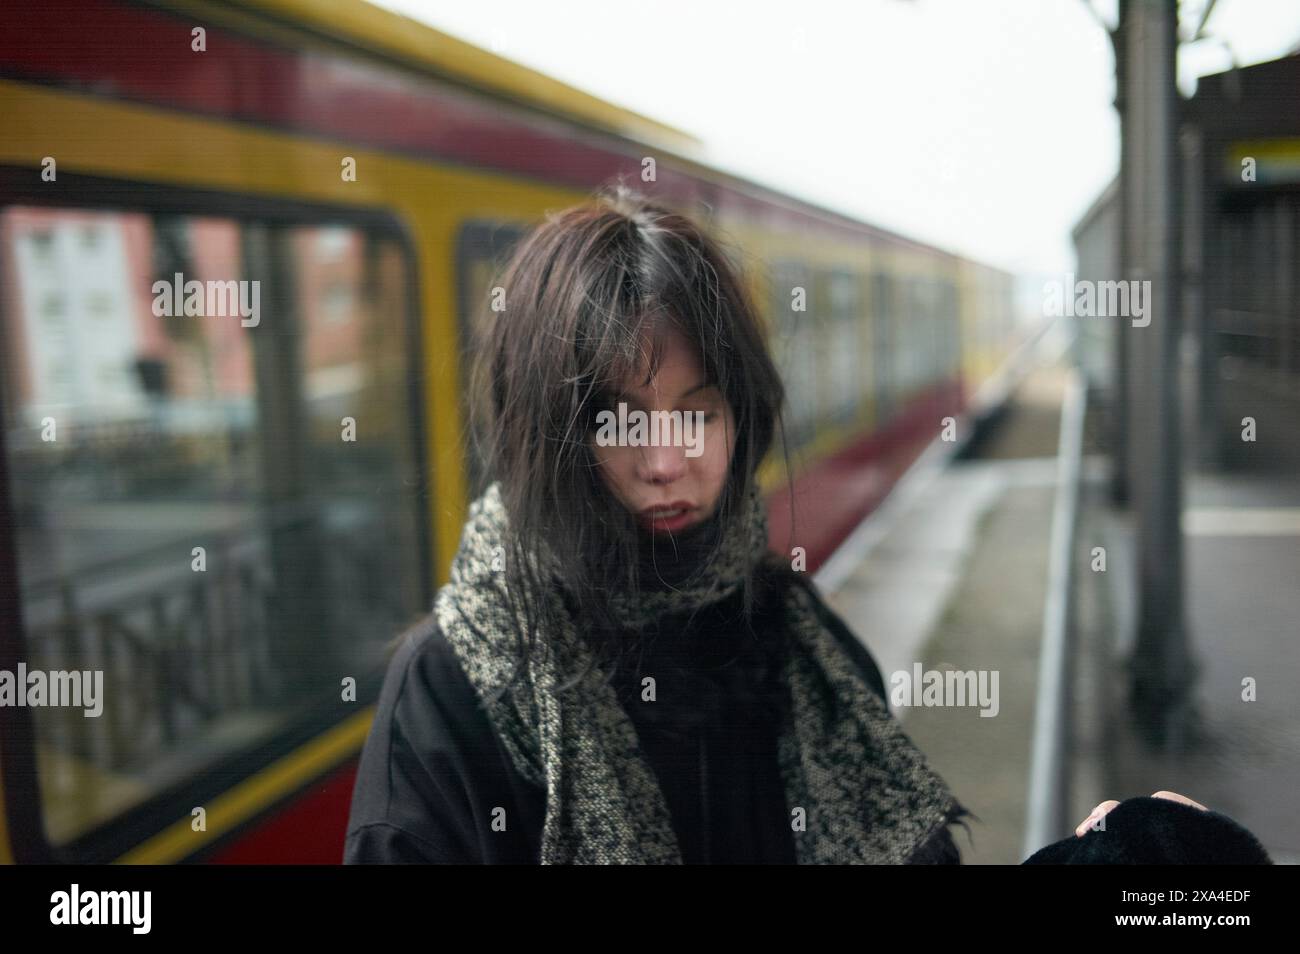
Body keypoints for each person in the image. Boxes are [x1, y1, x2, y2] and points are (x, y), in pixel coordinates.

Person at [343, 183, 1260, 865]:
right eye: (616, 421)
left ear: (743, 416)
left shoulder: (795, 641)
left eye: (696, 414)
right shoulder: (453, 696)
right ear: (546, 437)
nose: (665, 462)